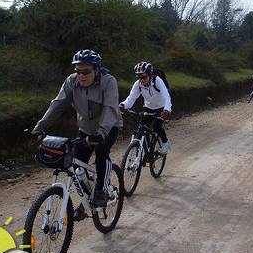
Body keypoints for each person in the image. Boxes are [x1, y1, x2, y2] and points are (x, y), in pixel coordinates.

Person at [32, 49, 122, 217]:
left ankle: (101, 191)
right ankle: (87, 199)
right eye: (78, 71)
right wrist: (40, 126)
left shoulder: (108, 82)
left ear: (96, 69)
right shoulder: (71, 82)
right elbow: (57, 104)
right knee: (77, 164)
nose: (81, 75)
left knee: (102, 153)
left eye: (86, 71)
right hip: (86, 129)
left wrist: (102, 133)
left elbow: (110, 109)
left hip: (108, 127)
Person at [119, 61, 172, 155]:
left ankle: (165, 143)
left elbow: (166, 96)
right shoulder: (138, 84)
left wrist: (167, 110)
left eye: (144, 77)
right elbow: (131, 98)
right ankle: (147, 150)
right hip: (148, 108)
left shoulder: (157, 80)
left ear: (150, 74)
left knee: (156, 127)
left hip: (161, 108)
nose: (141, 80)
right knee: (143, 127)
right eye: (139, 77)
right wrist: (123, 105)